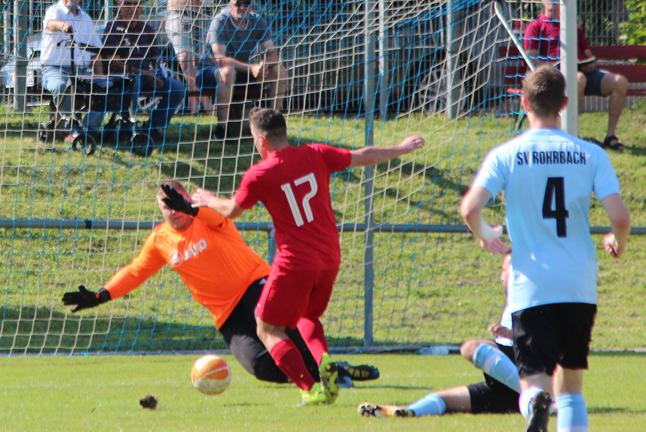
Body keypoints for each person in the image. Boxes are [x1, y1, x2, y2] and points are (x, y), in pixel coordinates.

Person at [192, 108, 425, 405]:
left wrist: (208, 199)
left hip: (294, 261)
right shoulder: (316, 153)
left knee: (266, 328)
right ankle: (323, 359)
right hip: (330, 257)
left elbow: (231, 210)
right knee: (308, 316)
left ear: (261, 140)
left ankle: (310, 389)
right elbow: (363, 155)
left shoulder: (260, 173)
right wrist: (401, 148)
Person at [61, 180, 380, 388]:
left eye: (177, 203)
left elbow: (215, 216)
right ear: (160, 209)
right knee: (259, 365)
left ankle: (329, 373)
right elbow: (136, 271)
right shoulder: (160, 240)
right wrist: (101, 295)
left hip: (256, 286)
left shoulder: (207, 216)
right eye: (166, 207)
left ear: (187, 199)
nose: (173, 212)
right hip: (226, 315)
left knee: (286, 334)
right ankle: (329, 373)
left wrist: (193, 208)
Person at [459, 65, 630, 432]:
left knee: (534, 383)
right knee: (570, 389)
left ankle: (536, 401)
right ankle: (548, 403)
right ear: (565, 104)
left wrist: (486, 233)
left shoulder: (507, 154)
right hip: (578, 283)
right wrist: (617, 240)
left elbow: (470, 208)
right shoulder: (590, 154)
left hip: (531, 283)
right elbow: (620, 216)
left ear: (524, 103)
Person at [359, 253, 523, 419]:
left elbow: (539, 343)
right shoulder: (513, 303)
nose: (501, 276)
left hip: (530, 374)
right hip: (510, 386)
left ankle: (533, 395)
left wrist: (513, 336)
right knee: (443, 399)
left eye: (505, 269)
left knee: (471, 348)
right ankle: (409, 412)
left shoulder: (532, 302)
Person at [524, 0, 629, 150]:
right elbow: (531, 60)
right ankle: (572, 134)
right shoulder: (535, 26)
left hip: (583, 72)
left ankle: (610, 137)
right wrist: (557, 65)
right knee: (578, 80)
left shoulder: (572, 26)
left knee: (620, 82)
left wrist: (589, 64)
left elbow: (589, 55)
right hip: (556, 76)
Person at [94, 0, 186, 154]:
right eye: (128, 4)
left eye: (137, 4)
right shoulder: (113, 28)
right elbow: (113, 62)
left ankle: (152, 127)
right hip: (120, 78)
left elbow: (156, 56)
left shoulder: (147, 29)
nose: (133, 8)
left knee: (177, 88)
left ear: (142, 6)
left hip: (145, 76)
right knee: (133, 82)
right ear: (119, 5)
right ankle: (127, 128)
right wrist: (143, 73)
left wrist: (159, 69)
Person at [199, 0, 289, 141]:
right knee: (228, 72)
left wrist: (263, 66)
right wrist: (251, 68)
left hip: (242, 72)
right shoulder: (220, 21)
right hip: (211, 72)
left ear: (252, 6)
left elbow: (273, 55)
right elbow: (220, 60)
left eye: (246, 3)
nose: (242, 7)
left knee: (280, 71)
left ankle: (272, 126)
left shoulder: (257, 20)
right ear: (230, 5)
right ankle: (221, 130)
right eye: (238, 3)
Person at [40, 0, 114, 143]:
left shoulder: (86, 18)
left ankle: (87, 129)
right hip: (55, 69)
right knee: (61, 86)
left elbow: (96, 52)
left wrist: (101, 77)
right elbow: (50, 24)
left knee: (109, 86)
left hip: (82, 72)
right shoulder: (54, 10)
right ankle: (72, 128)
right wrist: (62, 25)